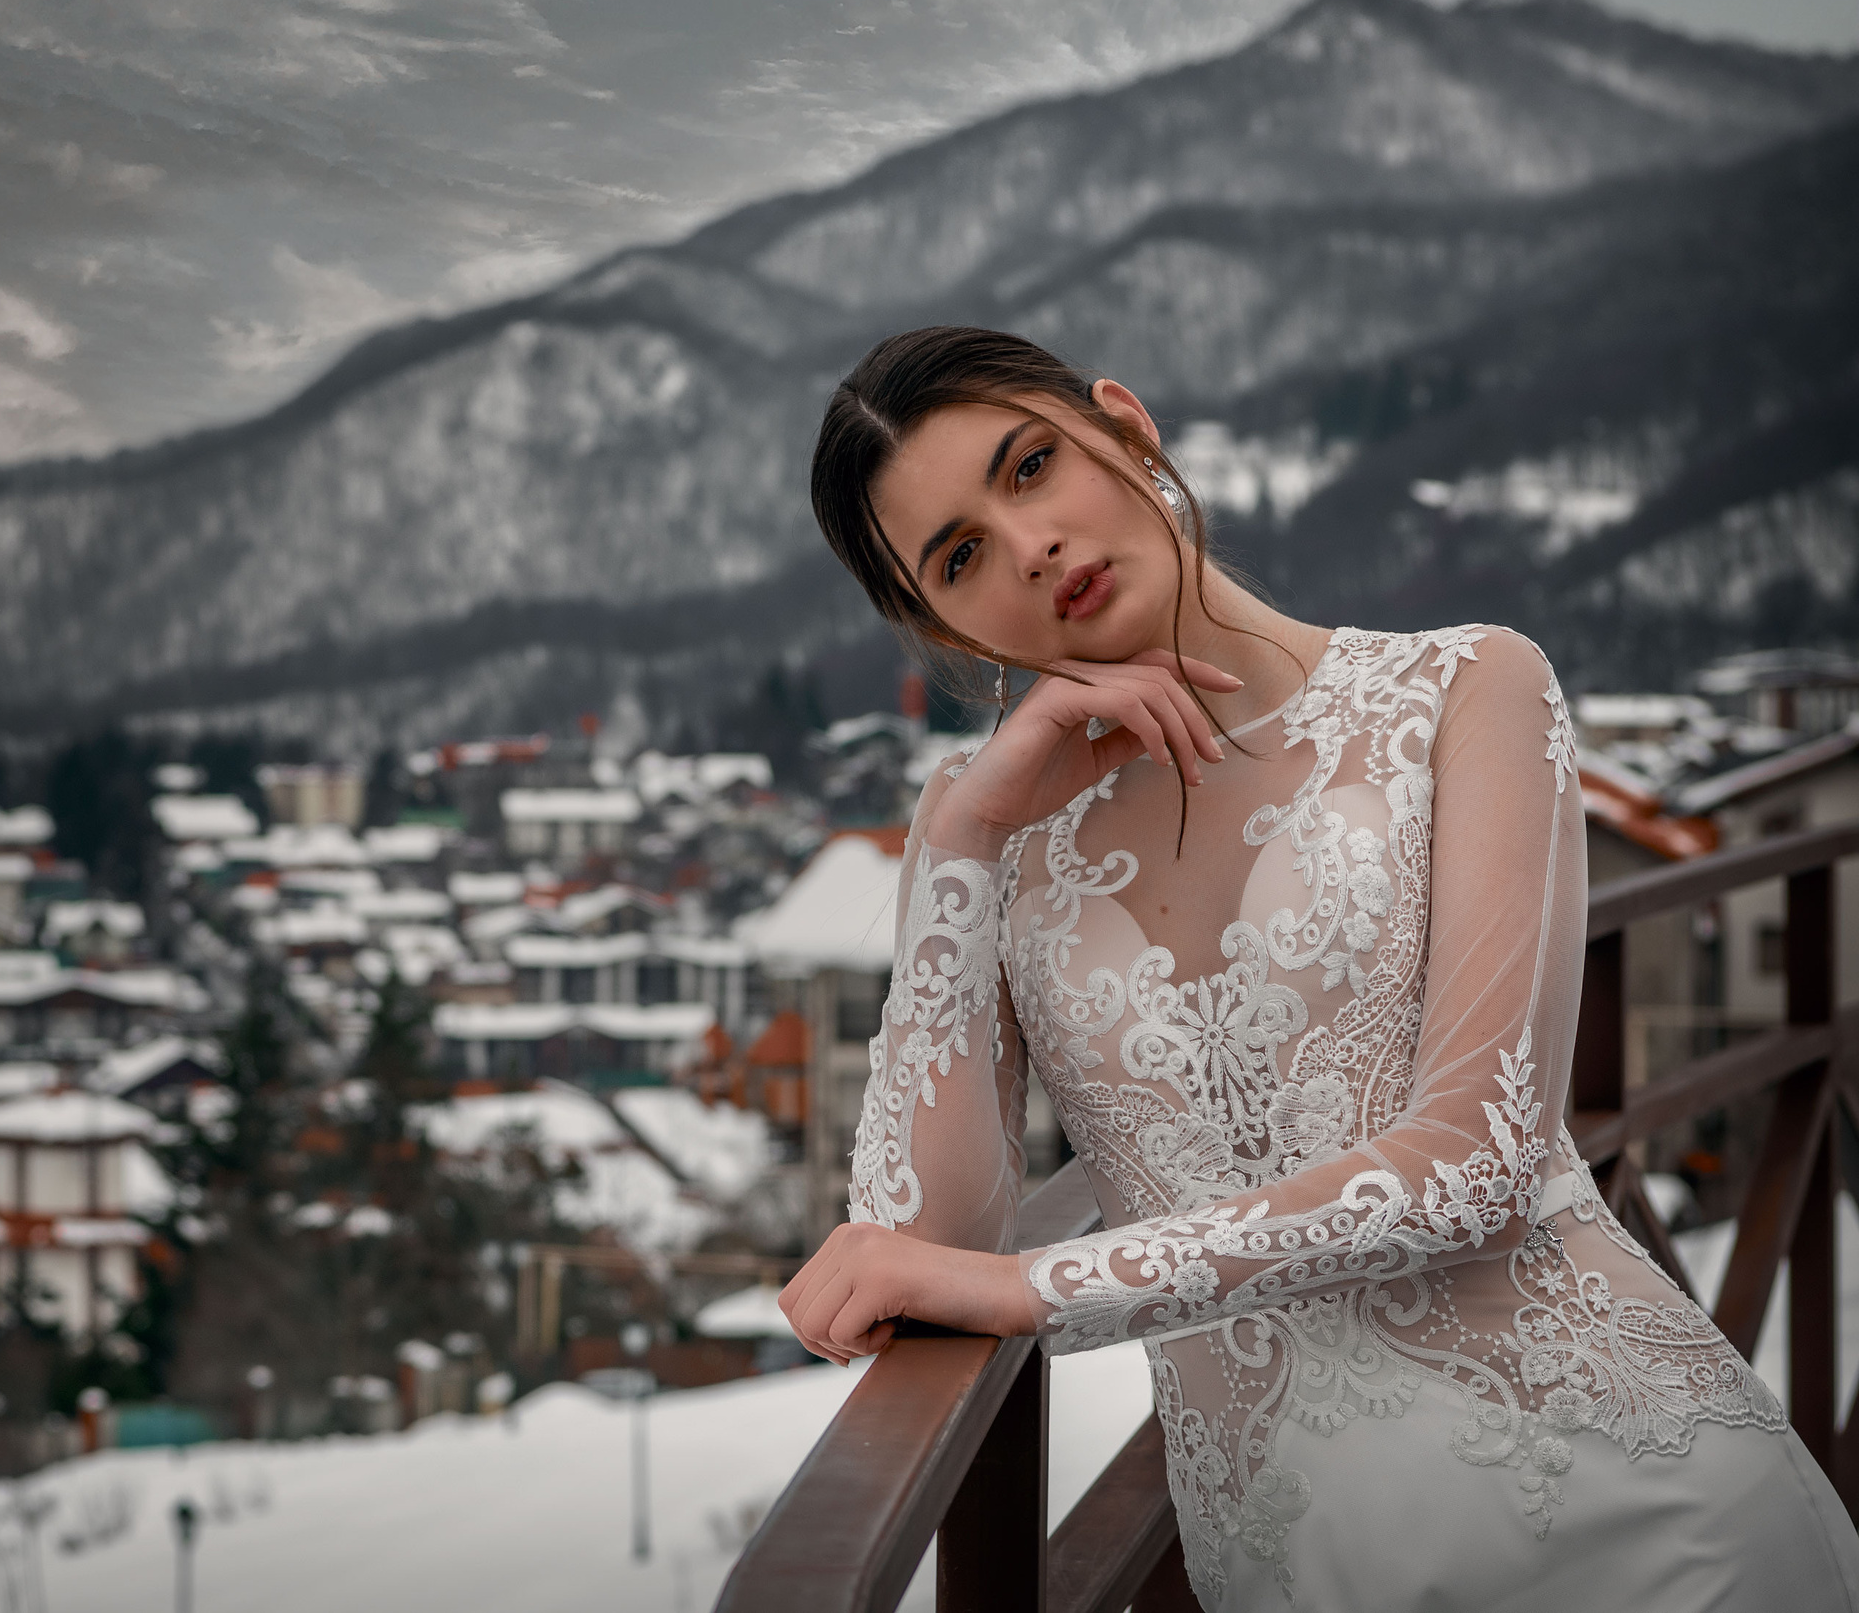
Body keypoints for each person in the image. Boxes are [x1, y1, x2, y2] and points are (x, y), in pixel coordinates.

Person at [773, 326, 1859, 1610]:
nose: (1030, 546)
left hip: (1650, 1519)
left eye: (1030, 466)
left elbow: (1471, 1165)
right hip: (1300, 1566)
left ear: (1123, 424)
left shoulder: (1464, 688)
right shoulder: (982, 831)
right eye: (958, 555)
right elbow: (915, 1247)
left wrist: (1032, 1288)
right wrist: (963, 839)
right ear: (929, 619)